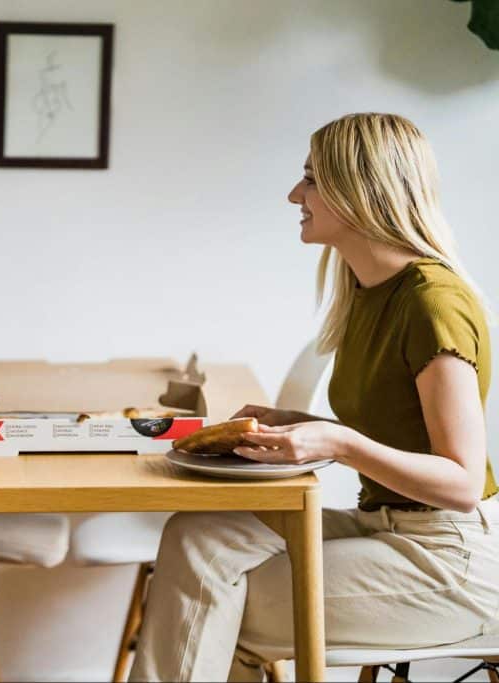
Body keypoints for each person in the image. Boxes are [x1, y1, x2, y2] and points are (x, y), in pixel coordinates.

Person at [129, 113, 498, 682]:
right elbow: (395, 424)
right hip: (386, 524)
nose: (294, 195)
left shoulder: (432, 302)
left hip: (452, 556)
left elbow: (462, 484)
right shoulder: (368, 290)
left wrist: (339, 442)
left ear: (360, 189)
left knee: (209, 606)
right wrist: (300, 422)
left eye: (311, 179)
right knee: (196, 535)